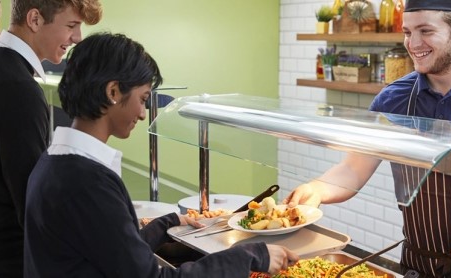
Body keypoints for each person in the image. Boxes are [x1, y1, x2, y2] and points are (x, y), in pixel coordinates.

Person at [284, 0, 451, 277]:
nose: (413, 43)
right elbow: (353, 168)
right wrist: (318, 188)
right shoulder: (392, 99)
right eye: (408, 32)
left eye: (425, 31)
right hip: (418, 265)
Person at [23, 32, 298, 277]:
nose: (143, 114)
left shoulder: (56, 161)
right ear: (113, 92)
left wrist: (167, 222)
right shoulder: (86, 181)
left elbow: (113, 249)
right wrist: (252, 256)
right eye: (142, 99)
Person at [0, 0, 102, 277]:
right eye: (71, 25)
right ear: (34, 19)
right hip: (8, 262)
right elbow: (32, 201)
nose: (77, 38)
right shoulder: (17, 87)